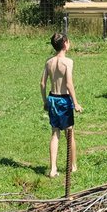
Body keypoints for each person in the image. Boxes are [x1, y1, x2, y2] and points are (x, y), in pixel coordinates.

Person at [40, 33, 83, 178]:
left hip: (52, 98)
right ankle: (73, 165)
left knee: (55, 133)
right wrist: (75, 103)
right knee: (69, 133)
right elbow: (69, 84)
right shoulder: (68, 62)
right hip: (64, 100)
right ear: (65, 43)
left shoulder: (49, 62)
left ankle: (53, 169)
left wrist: (45, 101)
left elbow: (42, 83)